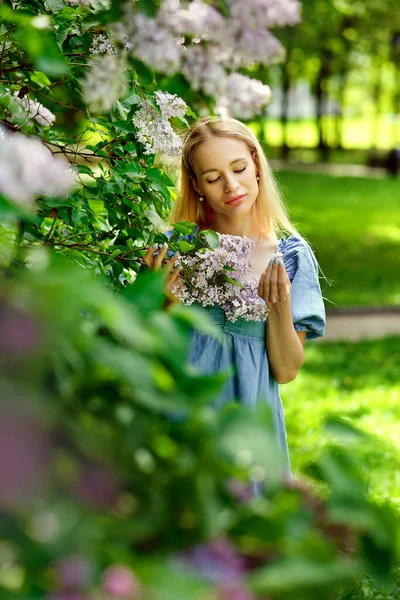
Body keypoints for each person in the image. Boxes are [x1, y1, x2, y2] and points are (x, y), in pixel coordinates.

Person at [142, 116, 326, 478]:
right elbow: (149, 357)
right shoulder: (175, 252)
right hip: (181, 422)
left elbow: (286, 371)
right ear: (195, 185)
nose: (231, 186)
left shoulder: (290, 256)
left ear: (257, 166)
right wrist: (161, 304)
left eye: (239, 168)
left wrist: (279, 305)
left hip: (251, 433)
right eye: (212, 178)